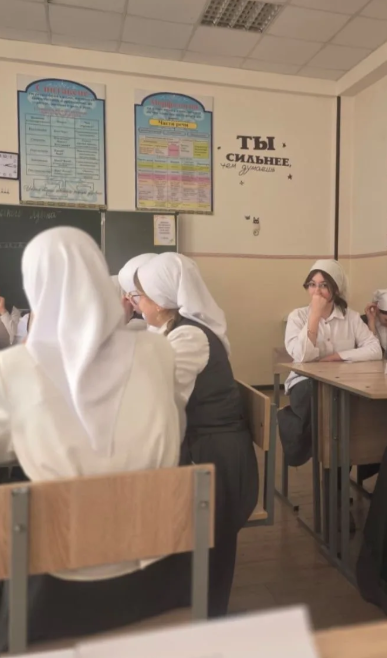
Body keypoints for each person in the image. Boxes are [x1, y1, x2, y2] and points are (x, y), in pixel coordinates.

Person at [0, 227, 184, 649]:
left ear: (35, 285)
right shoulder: (157, 351)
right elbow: (176, 426)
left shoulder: (16, 367)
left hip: (56, 583)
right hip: (158, 568)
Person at [134, 252, 258, 617]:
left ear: (160, 301)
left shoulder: (189, 336)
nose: (137, 303)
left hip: (218, 462)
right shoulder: (173, 331)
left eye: (140, 295)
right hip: (203, 449)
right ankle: (182, 603)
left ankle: (204, 616)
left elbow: (159, 399)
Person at [279, 259, 382, 467]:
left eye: (324, 285)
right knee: (316, 398)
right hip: (305, 381)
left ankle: (344, 461)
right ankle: (310, 449)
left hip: (342, 381)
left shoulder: (351, 317)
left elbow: (375, 349)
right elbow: (302, 356)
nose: (317, 291)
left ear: (336, 289)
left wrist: (338, 356)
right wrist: (315, 316)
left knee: (353, 410)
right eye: (312, 285)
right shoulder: (298, 316)